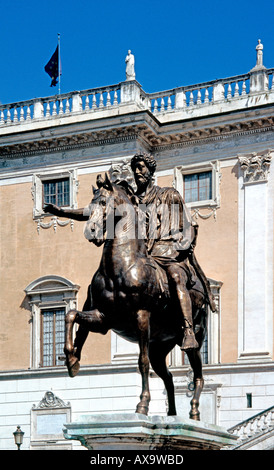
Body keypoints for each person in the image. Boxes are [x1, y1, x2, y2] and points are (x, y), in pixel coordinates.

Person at [130, 153, 204, 351]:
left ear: (151, 171)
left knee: (175, 276)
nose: (137, 171)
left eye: (142, 167)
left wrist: (185, 244)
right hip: (143, 258)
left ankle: (188, 330)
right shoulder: (131, 202)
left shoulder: (168, 194)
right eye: (135, 167)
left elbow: (189, 225)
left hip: (169, 254)